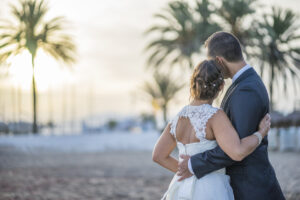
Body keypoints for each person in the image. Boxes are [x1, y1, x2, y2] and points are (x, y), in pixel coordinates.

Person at [177, 31, 285, 200]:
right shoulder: (242, 84)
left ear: (219, 60)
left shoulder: (246, 90)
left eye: (212, 62)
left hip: (251, 187)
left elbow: (235, 147)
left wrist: (193, 163)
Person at [153, 58, 271, 200]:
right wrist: (260, 133)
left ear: (193, 83)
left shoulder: (177, 118)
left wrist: (187, 171)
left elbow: (158, 156)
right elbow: (238, 152)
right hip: (210, 188)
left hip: (179, 187)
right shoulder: (215, 116)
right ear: (221, 86)